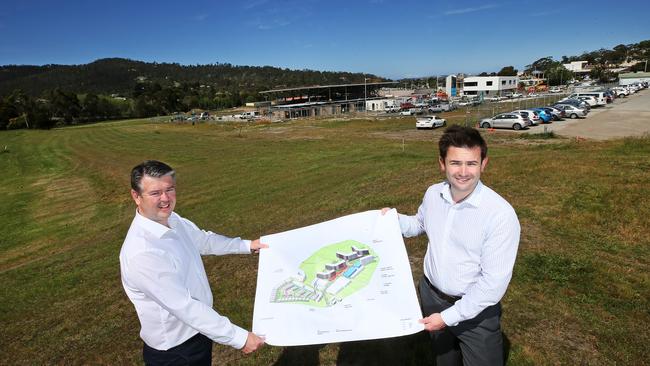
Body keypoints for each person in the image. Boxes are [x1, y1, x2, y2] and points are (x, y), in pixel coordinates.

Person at [382, 125, 520, 366]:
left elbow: (492, 285)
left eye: (471, 163)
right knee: (444, 360)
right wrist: (391, 220)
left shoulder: (500, 215)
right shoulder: (433, 194)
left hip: (477, 312)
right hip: (431, 296)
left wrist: (447, 318)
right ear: (442, 163)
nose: (463, 172)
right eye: (455, 163)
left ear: (484, 164)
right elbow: (418, 224)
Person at [120, 160, 266, 365]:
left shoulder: (172, 219)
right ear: (136, 196)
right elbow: (184, 306)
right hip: (176, 351)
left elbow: (204, 241)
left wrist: (247, 245)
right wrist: (239, 338)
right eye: (155, 193)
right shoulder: (142, 253)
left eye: (170, 189)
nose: (165, 199)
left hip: (198, 333)